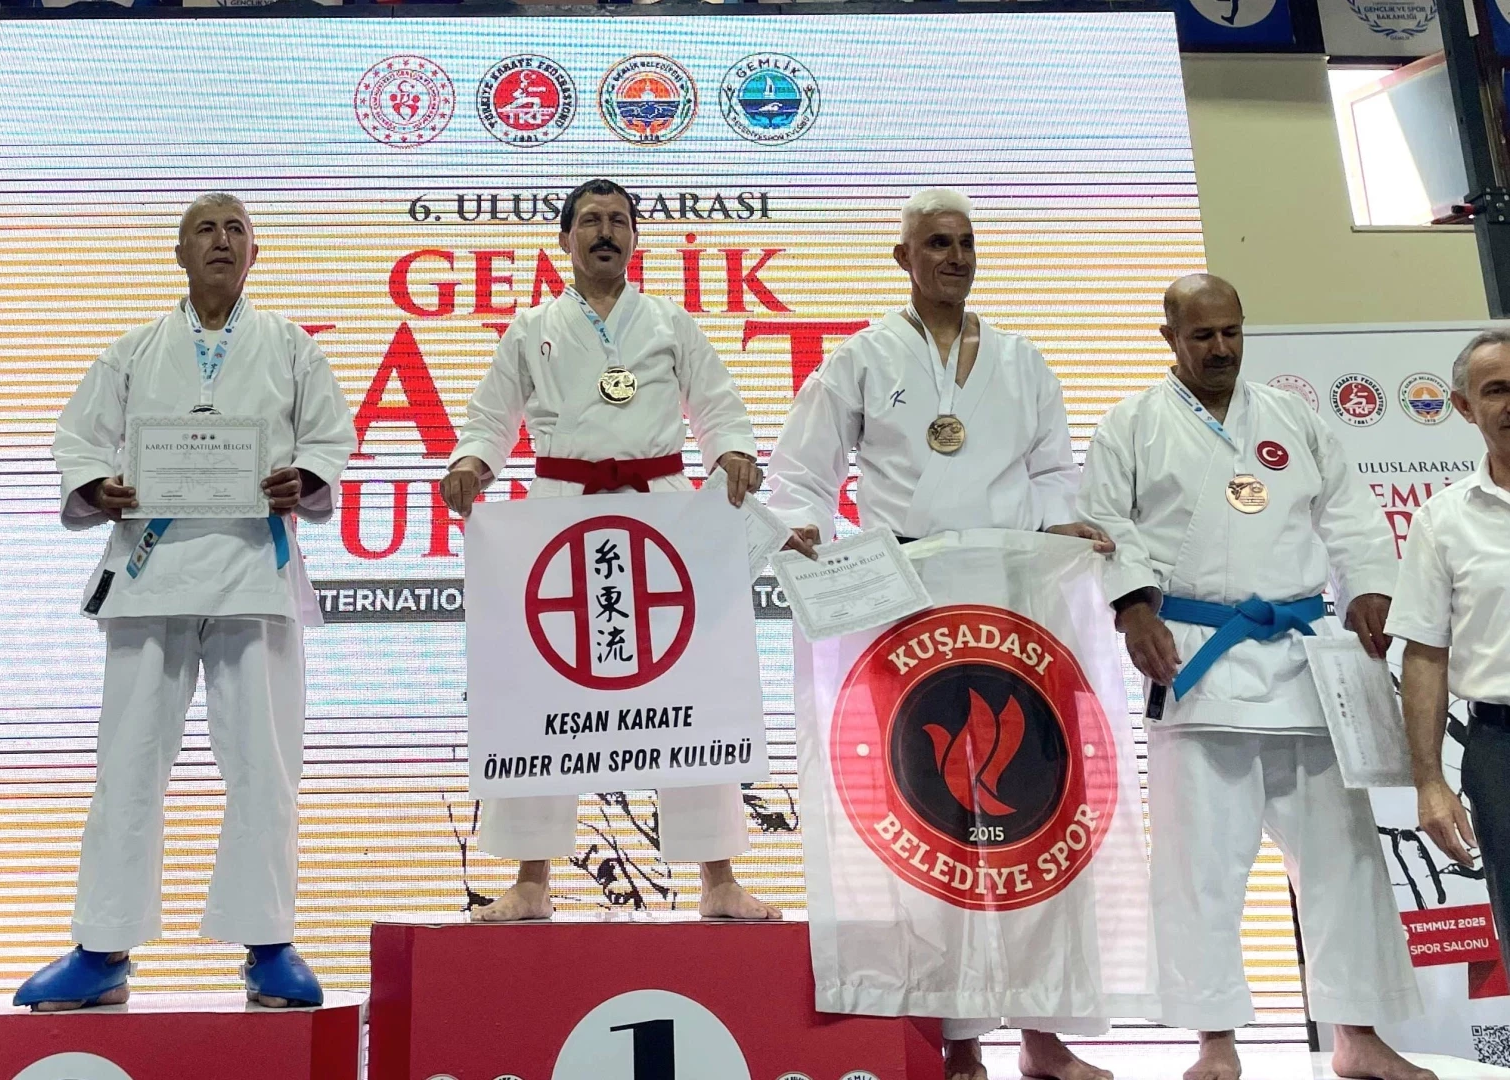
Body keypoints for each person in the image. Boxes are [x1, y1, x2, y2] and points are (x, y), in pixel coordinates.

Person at [767, 188, 1120, 1080]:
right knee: (931, 822)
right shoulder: (859, 358)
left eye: (964, 242)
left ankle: (1042, 1034)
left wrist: (1062, 524)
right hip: (907, 610)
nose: (954, 257)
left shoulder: (1020, 360)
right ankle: (955, 1034)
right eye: (935, 243)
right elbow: (801, 473)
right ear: (903, 259)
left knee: (1034, 817)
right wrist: (806, 527)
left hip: (1013, 603)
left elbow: (1052, 469)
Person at [1076, 274, 1430, 1080]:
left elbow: (1349, 513)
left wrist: (1369, 585)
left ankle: (1356, 1035)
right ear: (1169, 338)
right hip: (1197, 661)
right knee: (1199, 866)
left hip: (1303, 663)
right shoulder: (1132, 425)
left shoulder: (1291, 418)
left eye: (1231, 332)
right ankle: (1214, 1041)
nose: (1220, 348)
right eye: (1202, 335)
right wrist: (1132, 608)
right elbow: (1104, 524)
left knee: (1343, 858)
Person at [15, 193, 356, 1012]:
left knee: (264, 764)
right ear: (179, 252)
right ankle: (102, 949)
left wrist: (305, 478)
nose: (222, 240)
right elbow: (77, 438)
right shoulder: (132, 351)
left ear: (254, 253)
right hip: (151, 573)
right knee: (128, 763)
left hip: (253, 572)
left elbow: (330, 438)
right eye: (205, 229)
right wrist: (96, 485)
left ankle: (268, 945)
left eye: (236, 229)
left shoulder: (292, 347)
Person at [440, 177, 779, 923]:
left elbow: (717, 404)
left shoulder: (668, 321)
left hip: (662, 512)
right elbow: (490, 417)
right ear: (563, 239)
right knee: (545, 690)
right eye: (590, 221)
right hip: (561, 512)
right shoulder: (531, 327)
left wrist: (731, 451)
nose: (604, 232)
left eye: (618, 221)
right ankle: (531, 879)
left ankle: (717, 878)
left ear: (634, 238)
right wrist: (471, 463)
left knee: (689, 686)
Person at [1389, 329, 1510, 972]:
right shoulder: (1443, 521)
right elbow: (1424, 656)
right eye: (1496, 390)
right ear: (1464, 407)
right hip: (1501, 749)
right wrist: (1430, 781)